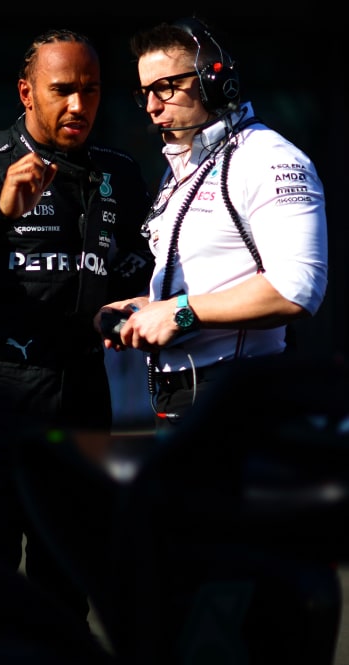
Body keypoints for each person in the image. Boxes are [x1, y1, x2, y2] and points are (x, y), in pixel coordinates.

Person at [0, 29, 155, 644]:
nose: (78, 106)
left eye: (90, 90)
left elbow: (148, 270)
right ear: (26, 93)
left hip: (85, 406)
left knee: (65, 594)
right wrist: (0, 216)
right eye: (62, 90)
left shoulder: (119, 174)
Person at [96, 17, 328, 432]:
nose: (152, 106)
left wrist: (180, 313)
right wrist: (146, 307)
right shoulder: (184, 168)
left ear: (214, 82)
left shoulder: (270, 159)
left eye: (166, 87)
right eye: (145, 92)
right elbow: (212, 284)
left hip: (243, 398)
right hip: (183, 400)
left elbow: (298, 288)